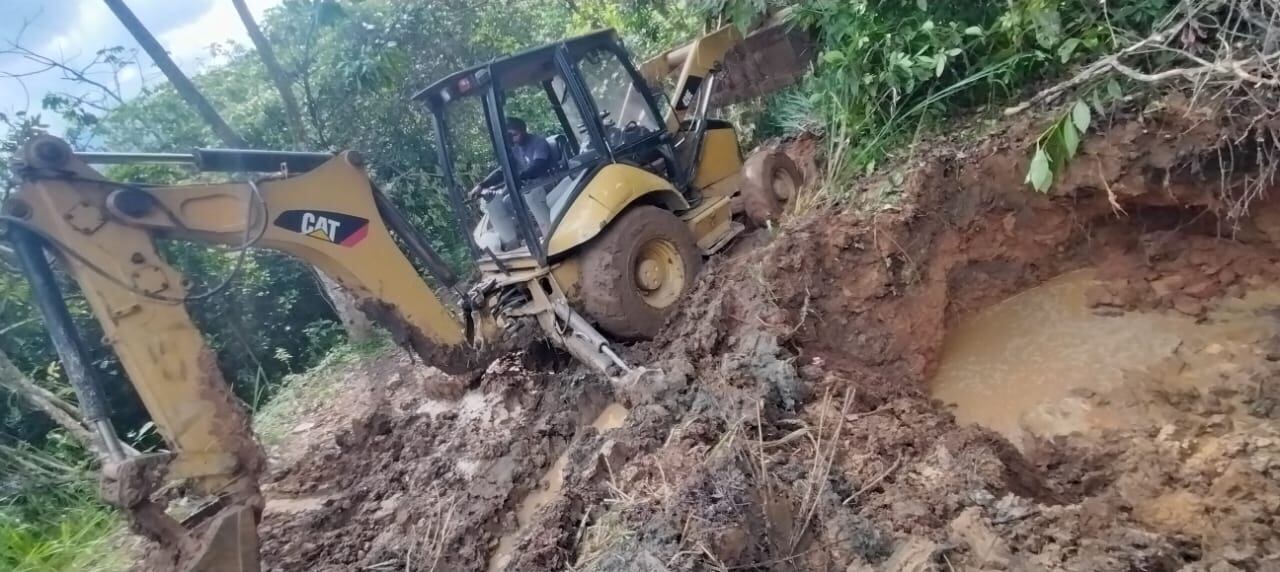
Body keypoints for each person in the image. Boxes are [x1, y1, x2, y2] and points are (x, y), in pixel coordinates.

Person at [478, 117, 558, 190]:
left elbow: (538, 167)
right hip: (530, 186)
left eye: (515, 134)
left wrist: (518, 178)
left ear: (524, 131)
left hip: (547, 182)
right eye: (510, 136)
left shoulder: (538, 142)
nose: (513, 139)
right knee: (505, 198)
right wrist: (482, 185)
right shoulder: (514, 148)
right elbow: (504, 170)